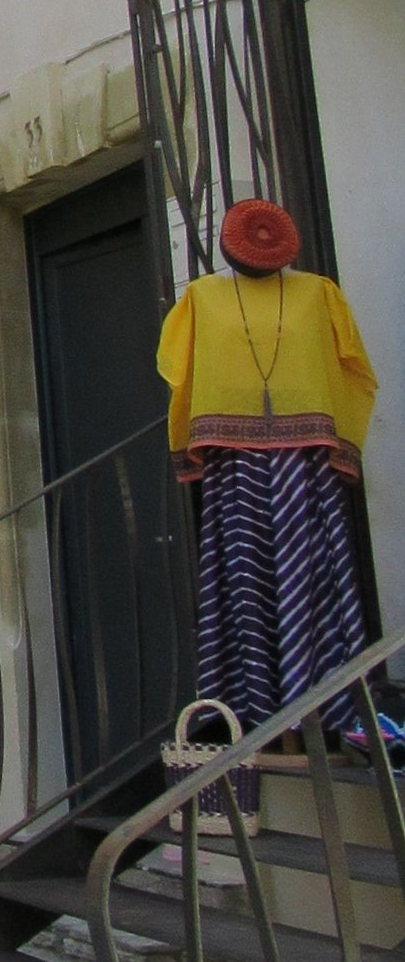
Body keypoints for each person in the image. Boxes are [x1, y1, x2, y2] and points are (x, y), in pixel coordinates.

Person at [157, 198, 377, 731]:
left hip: (306, 475)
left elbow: (354, 370)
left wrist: (342, 441)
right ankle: (254, 719)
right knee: (245, 584)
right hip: (236, 474)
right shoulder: (203, 299)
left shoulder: (318, 294)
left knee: (312, 581)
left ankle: (327, 717)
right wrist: (190, 446)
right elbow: (177, 373)